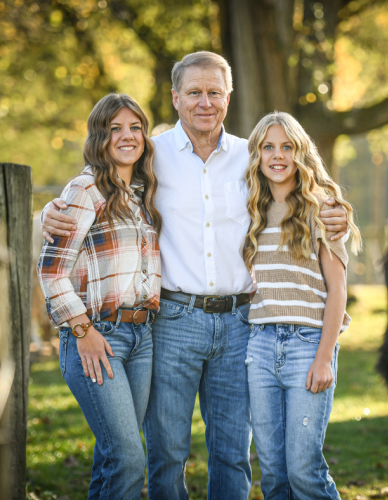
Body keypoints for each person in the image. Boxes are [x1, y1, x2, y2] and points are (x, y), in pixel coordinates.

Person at [41, 52, 350, 500]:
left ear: (228, 96)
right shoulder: (152, 153)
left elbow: (300, 185)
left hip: (243, 323)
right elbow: (103, 176)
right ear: (175, 97)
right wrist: (56, 209)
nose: (204, 102)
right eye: (194, 93)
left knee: (232, 452)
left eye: (213, 92)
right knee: (166, 452)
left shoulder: (253, 156)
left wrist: (335, 209)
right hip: (172, 319)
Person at [37, 93, 162, 499]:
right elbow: (51, 271)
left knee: (114, 457)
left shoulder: (143, 191)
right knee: (127, 458)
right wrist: (82, 330)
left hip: (141, 339)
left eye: (135, 127)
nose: (127, 136)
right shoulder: (85, 188)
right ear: (100, 137)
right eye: (115, 129)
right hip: (97, 337)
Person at [243, 111, 361, 499]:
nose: (278, 156)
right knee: (274, 474)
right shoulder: (250, 211)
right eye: (268, 147)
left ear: (301, 153)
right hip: (259, 345)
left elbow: (338, 288)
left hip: (307, 344)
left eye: (287, 147)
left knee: (304, 471)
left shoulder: (322, 208)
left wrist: (325, 356)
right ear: (257, 154)